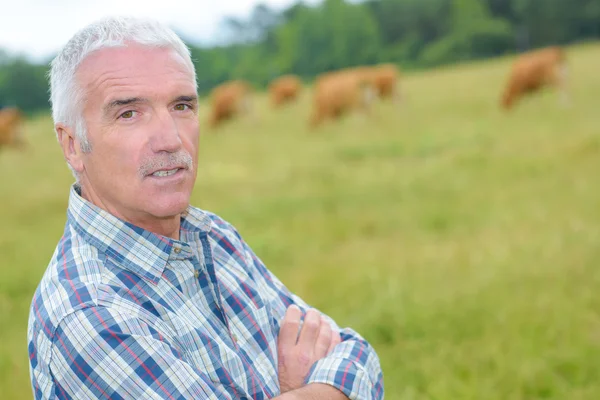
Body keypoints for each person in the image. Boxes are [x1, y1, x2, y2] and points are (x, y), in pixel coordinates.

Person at [27, 16, 384, 400]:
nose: (170, 139)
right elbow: (348, 380)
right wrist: (310, 389)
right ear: (72, 145)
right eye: (128, 113)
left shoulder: (212, 236)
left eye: (181, 106)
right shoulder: (90, 316)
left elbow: (357, 356)